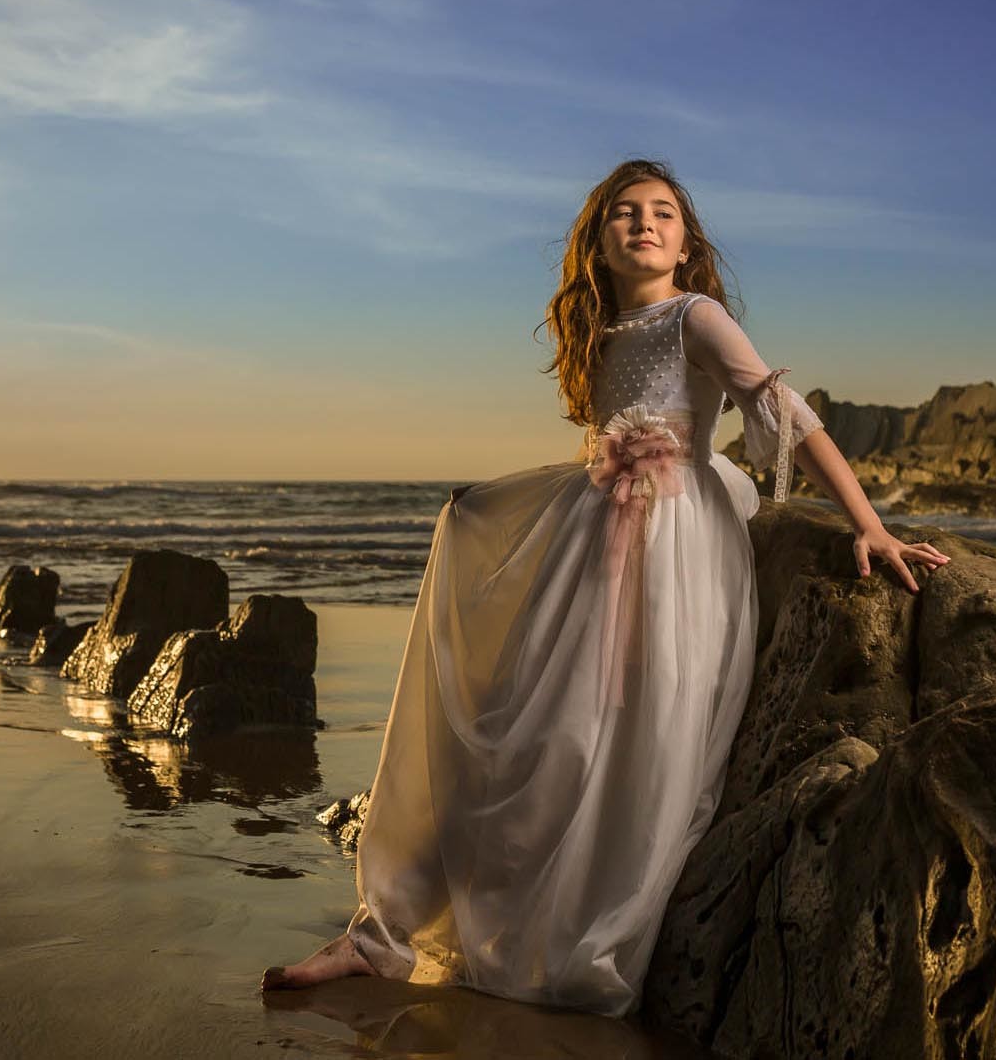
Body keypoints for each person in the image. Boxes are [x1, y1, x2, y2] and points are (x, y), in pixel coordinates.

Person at [261, 158, 949, 1017]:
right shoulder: (605, 332)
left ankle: (558, 923)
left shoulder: (696, 315)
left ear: (688, 240)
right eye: (624, 213)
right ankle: (382, 933)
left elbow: (786, 412)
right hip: (592, 536)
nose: (645, 224)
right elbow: (603, 443)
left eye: (664, 212)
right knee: (524, 722)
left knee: (617, 735)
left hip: (673, 548)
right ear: (597, 241)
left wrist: (870, 525)